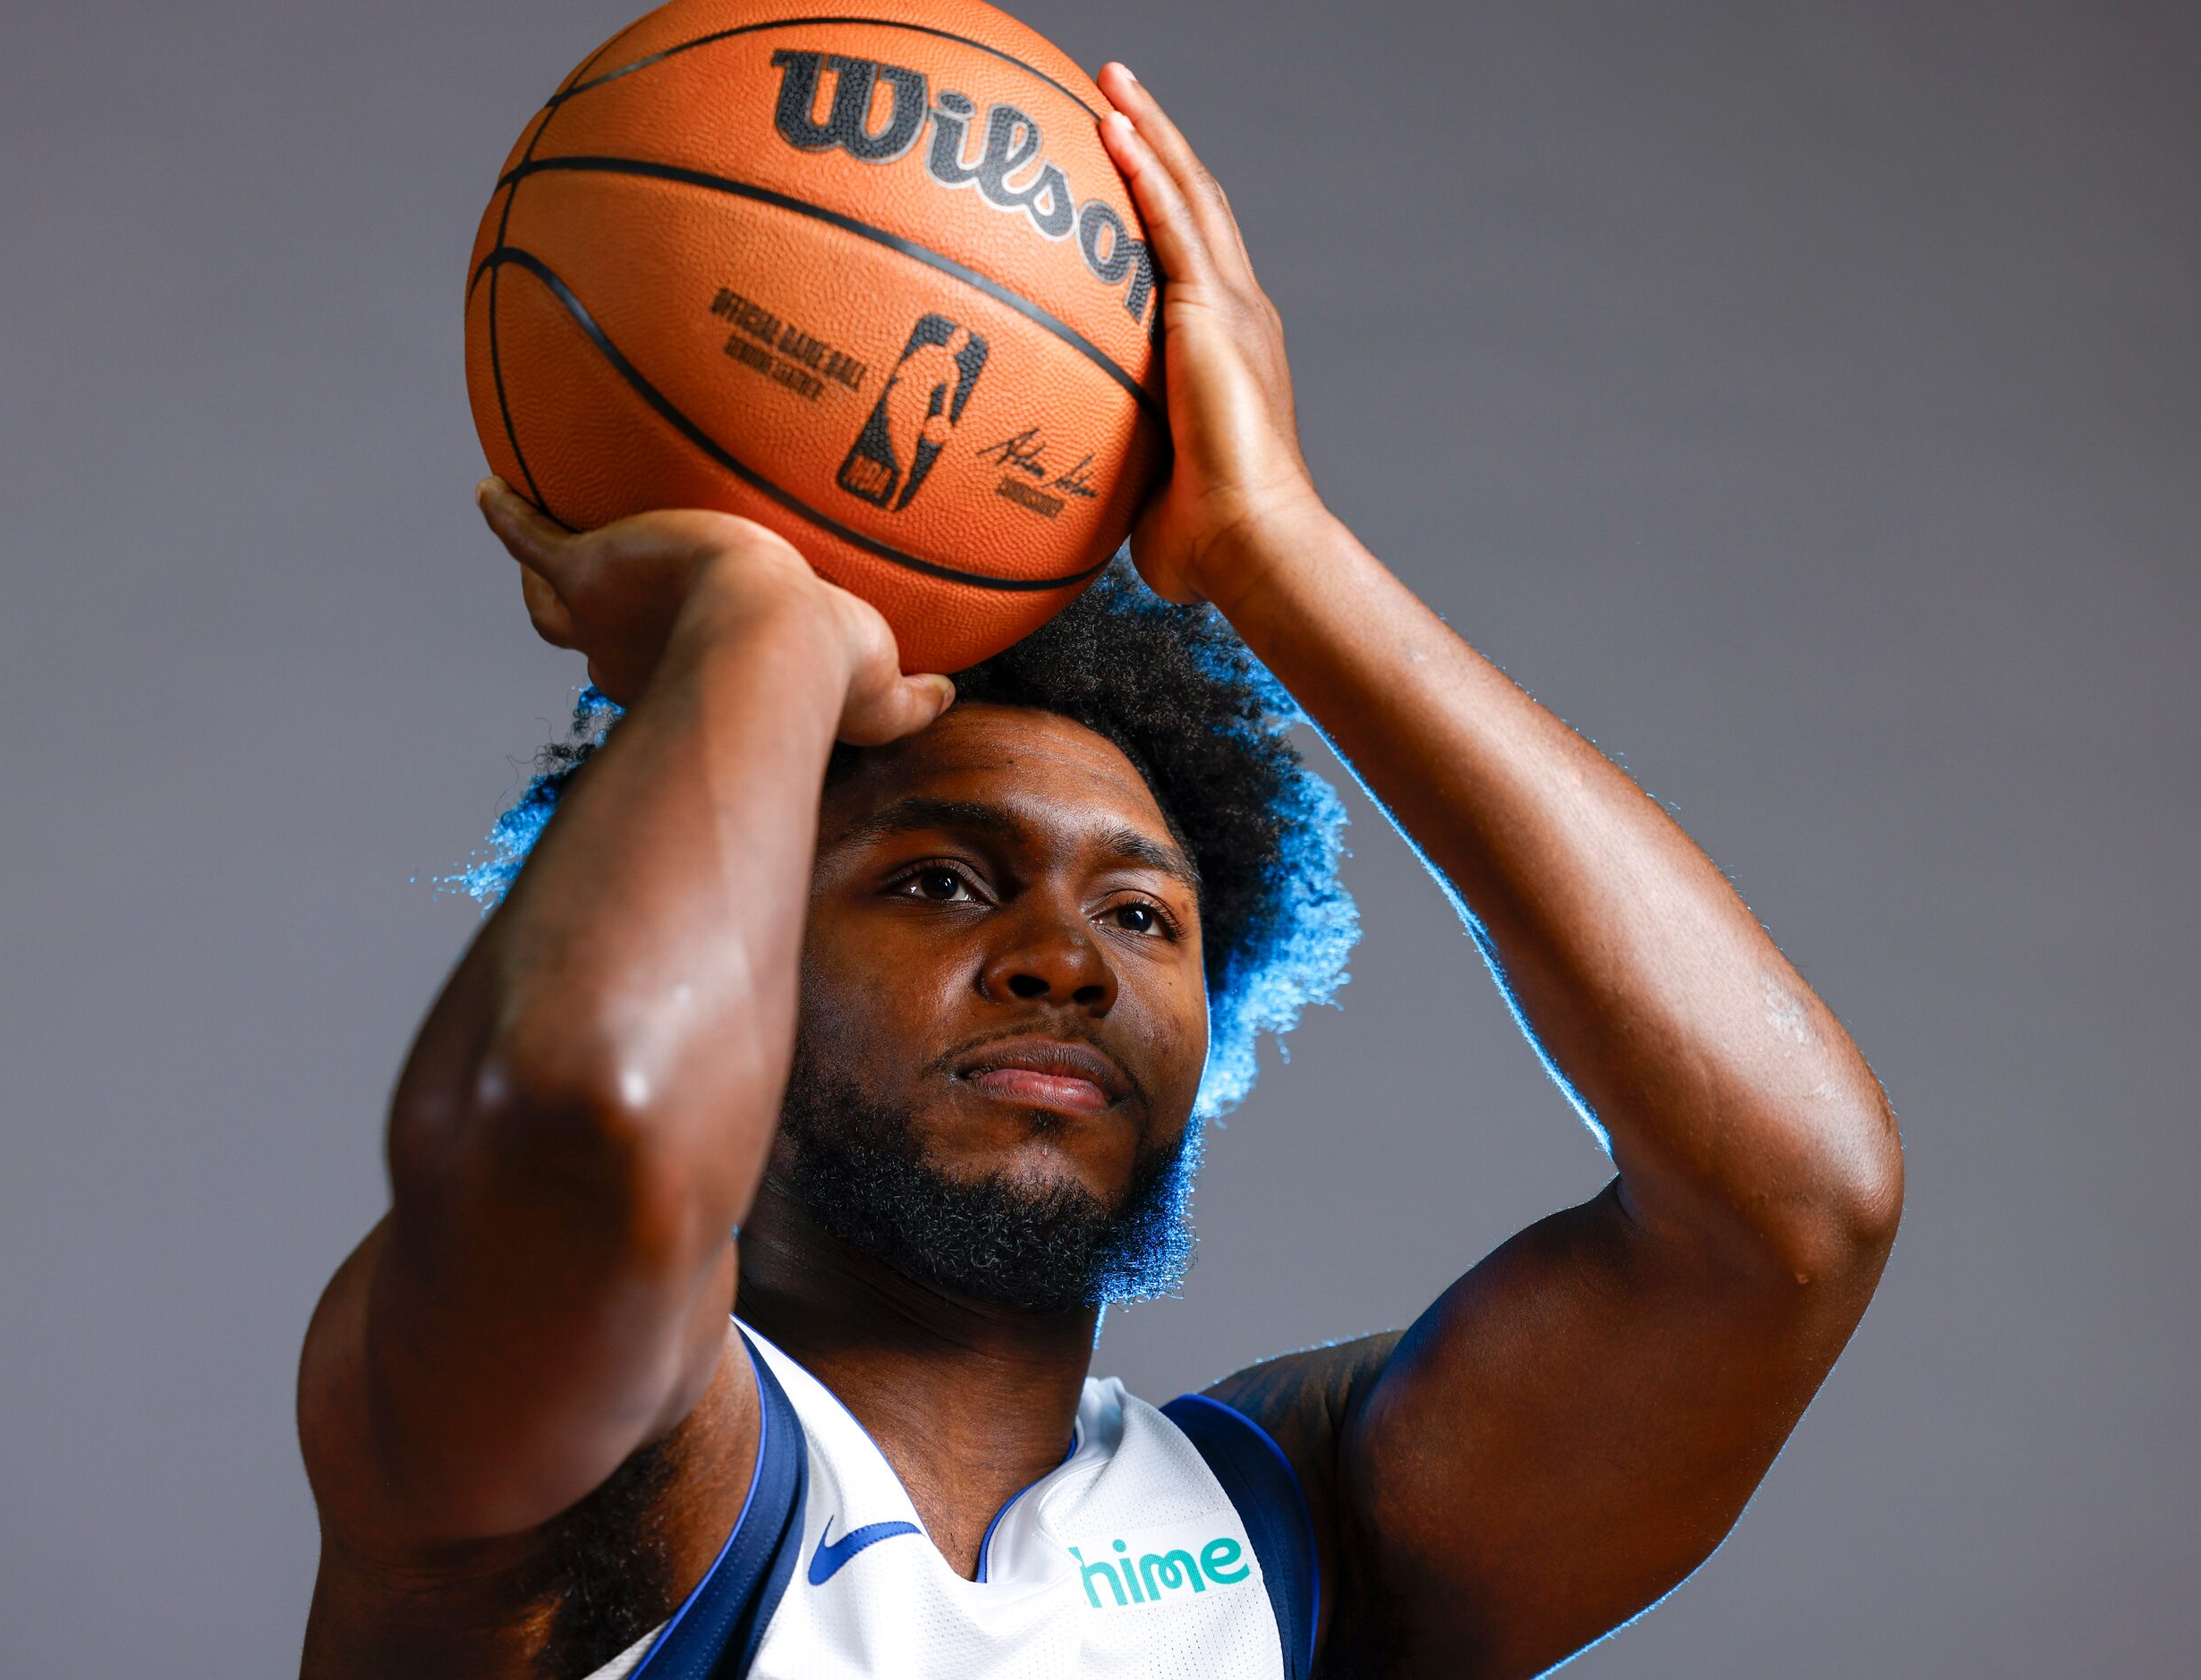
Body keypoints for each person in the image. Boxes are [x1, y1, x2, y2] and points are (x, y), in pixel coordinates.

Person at [296, 64, 1902, 1680]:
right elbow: (586, 1145)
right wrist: (764, 630)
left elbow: (1794, 1203)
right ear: (740, 962)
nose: (1066, 958)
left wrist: (1275, 552)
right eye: (936, 880)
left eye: (1143, 913)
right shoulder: (610, 1490)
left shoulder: (1305, 1540)